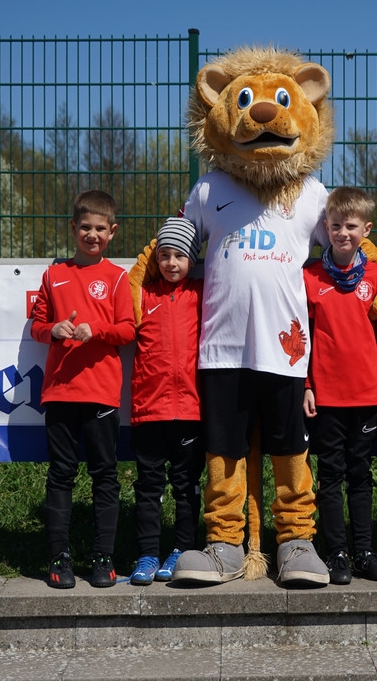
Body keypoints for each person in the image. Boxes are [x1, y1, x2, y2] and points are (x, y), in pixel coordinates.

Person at [30, 189, 136, 589]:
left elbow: (128, 330)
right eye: (85, 228)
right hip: (60, 392)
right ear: (73, 228)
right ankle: (59, 557)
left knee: (104, 475)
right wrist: (52, 330)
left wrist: (97, 331)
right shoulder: (53, 275)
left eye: (100, 229)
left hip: (101, 393)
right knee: (61, 474)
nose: (92, 235)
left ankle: (103, 558)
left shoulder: (118, 277)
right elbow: (37, 325)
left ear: (112, 232)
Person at [302, 186, 377, 585]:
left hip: (365, 394)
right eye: (336, 225)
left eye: (351, 226)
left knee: (361, 475)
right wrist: (307, 385)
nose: (343, 233)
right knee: (331, 475)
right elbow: (301, 337)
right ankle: (336, 552)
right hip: (325, 395)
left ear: (366, 230)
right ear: (326, 227)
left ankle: (364, 551)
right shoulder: (309, 276)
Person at [128, 217, 206, 585]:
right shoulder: (142, 296)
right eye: (164, 255)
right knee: (148, 487)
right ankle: (147, 553)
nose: (171, 263)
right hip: (149, 409)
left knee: (186, 486)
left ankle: (182, 549)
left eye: (180, 255)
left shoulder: (202, 294)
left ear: (193, 258)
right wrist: (152, 246)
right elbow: (133, 278)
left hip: (191, 409)